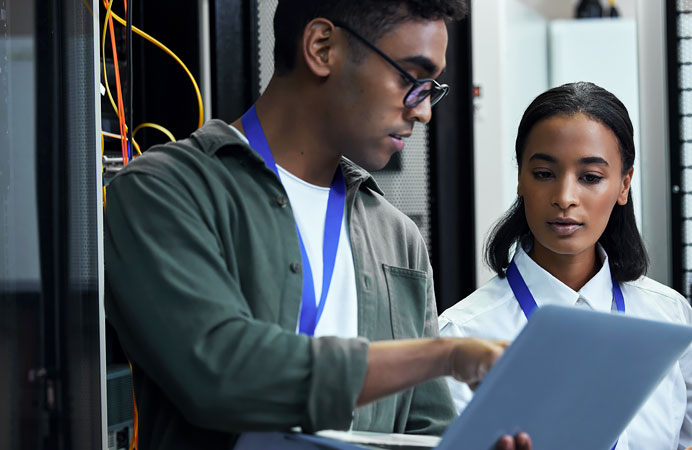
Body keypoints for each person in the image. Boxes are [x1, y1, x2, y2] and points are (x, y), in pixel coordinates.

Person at [104, 1, 531, 449]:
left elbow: (427, 429)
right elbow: (220, 374)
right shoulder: (165, 192)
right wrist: (443, 356)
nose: (423, 111)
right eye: (410, 78)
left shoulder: (396, 237)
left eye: (430, 88)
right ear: (322, 47)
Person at [438, 82, 692, 450]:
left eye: (590, 178)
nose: (565, 198)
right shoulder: (461, 335)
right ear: (520, 177)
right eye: (544, 174)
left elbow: (686, 439)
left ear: (623, 185)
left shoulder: (666, 316)